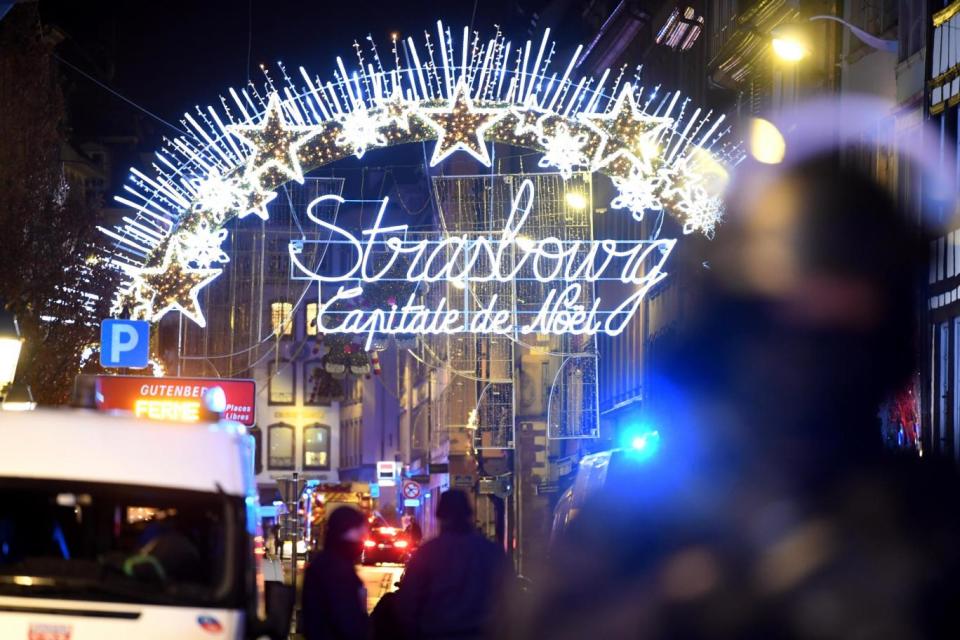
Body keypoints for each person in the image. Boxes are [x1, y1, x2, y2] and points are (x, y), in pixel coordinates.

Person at [503, 157, 960, 639]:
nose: (813, 372)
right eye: (788, 333)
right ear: (735, 335)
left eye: (845, 337)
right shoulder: (636, 524)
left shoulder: (932, 519)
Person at [396, 490, 511, 640]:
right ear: (470, 515)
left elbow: (408, 603)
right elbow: (509, 599)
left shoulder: (427, 553)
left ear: (439, 517)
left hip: (436, 634)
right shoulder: (491, 551)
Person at [301, 506, 369, 640]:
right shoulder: (335, 568)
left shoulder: (327, 562)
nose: (361, 539)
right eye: (358, 532)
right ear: (344, 531)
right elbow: (346, 619)